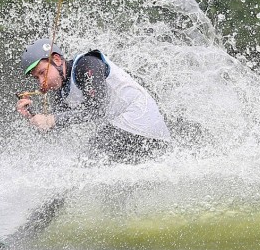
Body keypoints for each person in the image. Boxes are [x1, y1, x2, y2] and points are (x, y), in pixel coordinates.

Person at [16, 38, 171, 163]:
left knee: (84, 163)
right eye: (37, 78)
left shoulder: (86, 64)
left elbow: (98, 110)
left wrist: (50, 120)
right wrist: (33, 115)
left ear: (56, 60)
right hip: (127, 129)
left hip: (142, 124)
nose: (42, 82)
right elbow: (57, 126)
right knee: (90, 166)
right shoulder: (62, 91)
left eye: (43, 73)